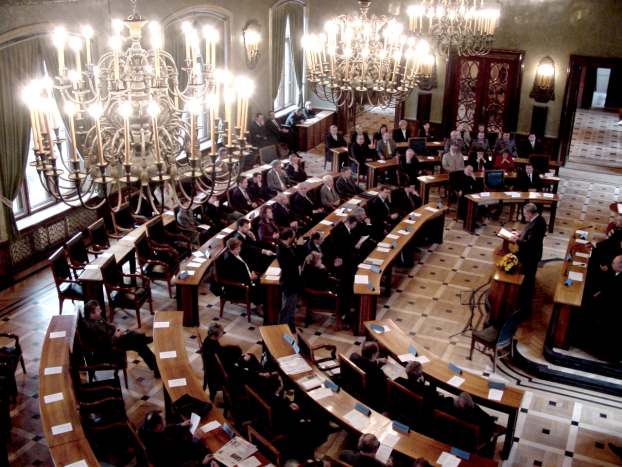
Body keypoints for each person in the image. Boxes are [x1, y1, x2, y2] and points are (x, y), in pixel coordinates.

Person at [80, 300, 159, 377]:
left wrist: (117, 330)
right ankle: (144, 339)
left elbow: (109, 326)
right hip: (110, 347)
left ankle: (156, 368)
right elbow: (102, 344)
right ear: (91, 314)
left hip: (115, 338)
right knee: (136, 340)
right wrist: (116, 336)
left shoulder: (97, 318)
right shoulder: (91, 328)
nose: (101, 310)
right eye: (98, 310)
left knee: (139, 344)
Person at [509, 203, 547, 314]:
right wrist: (520, 233)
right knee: (527, 277)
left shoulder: (538, 224)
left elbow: (530, 243)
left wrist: (516, 240)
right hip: (529, 254)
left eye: (525, 214)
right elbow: (529, 233)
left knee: (528, 280)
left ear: (530, 213)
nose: (524, 216)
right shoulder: (537, 219)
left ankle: (524, 306)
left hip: (530, 255)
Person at [139, 410, 211, 467]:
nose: (165, 420)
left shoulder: (146, 429)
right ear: (158, 426)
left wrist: (181, 425)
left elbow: (165, 430)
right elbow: (180, 454)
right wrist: (202, 463)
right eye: (164, 419)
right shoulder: (164, 446)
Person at [220, 238, 264, 311]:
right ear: (232, 249)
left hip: (248, 277)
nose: (239, 250)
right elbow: (235, 276)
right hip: (238, 287)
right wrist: (250, 278)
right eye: (237, 248)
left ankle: (264, 303)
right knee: (258, 286)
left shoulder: (236, 254)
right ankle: (258, 307)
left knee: (263, 283)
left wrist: (252, 271)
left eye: (239, 247)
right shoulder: (229, 260)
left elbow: (245, 264)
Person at [350, 342, 387, 411]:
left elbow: (366, 362)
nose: (378, 353)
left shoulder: (353, 357)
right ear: (374, 354)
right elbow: (383, 391)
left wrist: (377, 361)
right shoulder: (377, 372)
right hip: (369, 398)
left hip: (354, 386)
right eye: (377, 352)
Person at [277, 228, 301, 332]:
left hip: (293, 281)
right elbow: (293, 263)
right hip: (289, 282)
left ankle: (291, 328)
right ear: (289, 237)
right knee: (286, 308)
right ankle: (282, 331)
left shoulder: (286, 247)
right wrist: (298, 246)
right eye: (293, 236)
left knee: (292, 307)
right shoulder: (283, 250)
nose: (294, 238)